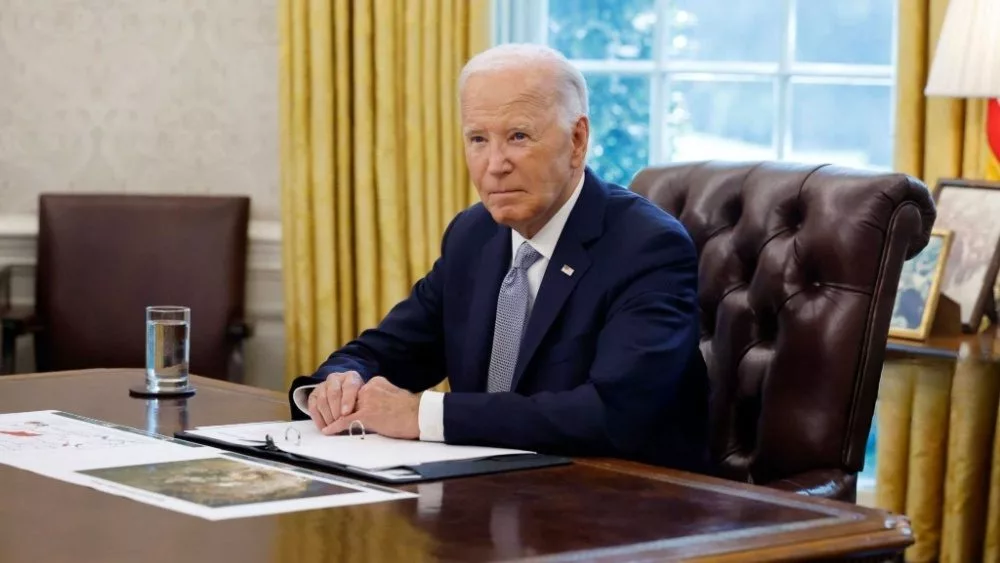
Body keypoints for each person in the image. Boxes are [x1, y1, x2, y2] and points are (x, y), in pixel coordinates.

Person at [288, 43, 709, 471]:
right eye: (477, 139)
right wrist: (339, 381)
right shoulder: (473, 235)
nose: (495, 165)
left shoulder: (647, 247)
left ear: (577, 140)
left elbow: (612, 412)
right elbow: (390, 350)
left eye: (518, 136)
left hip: (625, 504)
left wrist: (422, 415)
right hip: (491, 497)